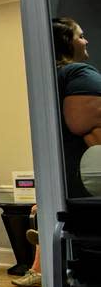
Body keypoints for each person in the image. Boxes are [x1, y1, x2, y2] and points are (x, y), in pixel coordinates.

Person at [52, 17, 101, 201]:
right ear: (67, 42)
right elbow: (84, 125)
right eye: (80, 36)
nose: (86, 41)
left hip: (69, 185)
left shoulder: (51, 77)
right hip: (89, 183)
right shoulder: (78, 73)